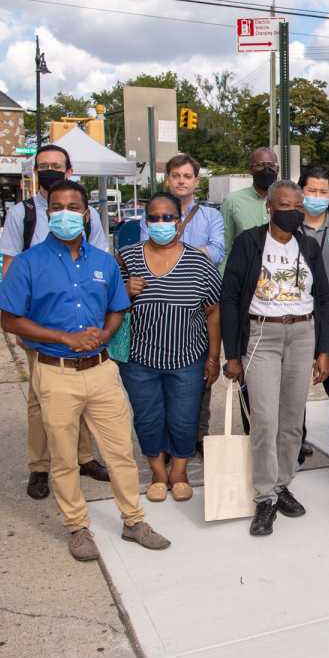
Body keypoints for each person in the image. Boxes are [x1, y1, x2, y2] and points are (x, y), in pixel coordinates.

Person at [0, 180, 170, 561]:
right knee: (62, 457)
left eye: (73, 207)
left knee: (121, 451)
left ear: (86, 213)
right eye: (57, 207)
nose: (65, 214)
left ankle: (133, 520)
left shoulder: (103, 262)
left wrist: (106, 333)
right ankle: (77, 527)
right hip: (55, 372)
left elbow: (118, 306)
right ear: (48, 213)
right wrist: (64, 337)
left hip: (102, 371)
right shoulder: (28, 263)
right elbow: (10, 319)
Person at [0, 144, 112, 501]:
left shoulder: (87, 213)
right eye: (42, 165)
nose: (49, 170)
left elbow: (100, 262)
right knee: (40, 401)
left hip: (83, 320)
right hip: (42, 324)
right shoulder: (22, 213)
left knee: (81, 396)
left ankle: (83, 457)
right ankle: (40, 466)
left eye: (55, 165)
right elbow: (9, 265)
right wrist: (18, 322)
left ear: (69, 170)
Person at [221, 180, 329, 536]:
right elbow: (230, 299)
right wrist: (232, 354)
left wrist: (324, 350)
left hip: (302, 335)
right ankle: (265, 496)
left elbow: (325, 299)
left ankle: (283, 484)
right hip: (262, 336)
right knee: (265, 420)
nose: (292, 212)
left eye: (298, 207)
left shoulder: (309, 246)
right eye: (285, 205)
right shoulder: (249, 243)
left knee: (291, 421)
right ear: (269, 207)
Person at [118, 193, 222, 504]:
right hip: (139, 359)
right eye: (154, 217)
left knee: (183, 417)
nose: (161, 223)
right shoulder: (127, 257)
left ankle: (179, 473)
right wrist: (124, 291)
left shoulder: (198, 261)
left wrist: (214, 357)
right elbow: (107, 303)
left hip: (188, 357)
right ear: (145, 221)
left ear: (179, 221)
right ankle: (157, 474)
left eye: (168, 217)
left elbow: (213, 309)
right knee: (148, 418)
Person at [139, 154, 226, 455]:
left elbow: (216, 252)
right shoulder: (151, 213)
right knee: (160, 378)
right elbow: (144, 253)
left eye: (187, 176)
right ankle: (164, 440)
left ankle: (197, 436)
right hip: (159, 307)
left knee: (200, 374)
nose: (181, 180)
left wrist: (178, 254)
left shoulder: (210, 216)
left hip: (199, 304)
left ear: (196, 181)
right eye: (175, 175)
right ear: (168, 179)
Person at [299, 165, 329, 473]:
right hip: (297, 322)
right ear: (301, 191)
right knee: (291, 391)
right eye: (311, 190)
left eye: (323, 191)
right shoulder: (286, 229)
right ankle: (295, 443)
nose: (316, 196)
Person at [223, 147, 279, 251]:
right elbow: (225, 246)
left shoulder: (287, 202)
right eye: (260, 165)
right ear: (250, 170)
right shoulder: (232, 201)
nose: (266, 170)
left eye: (271, 165)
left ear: (278, 170)